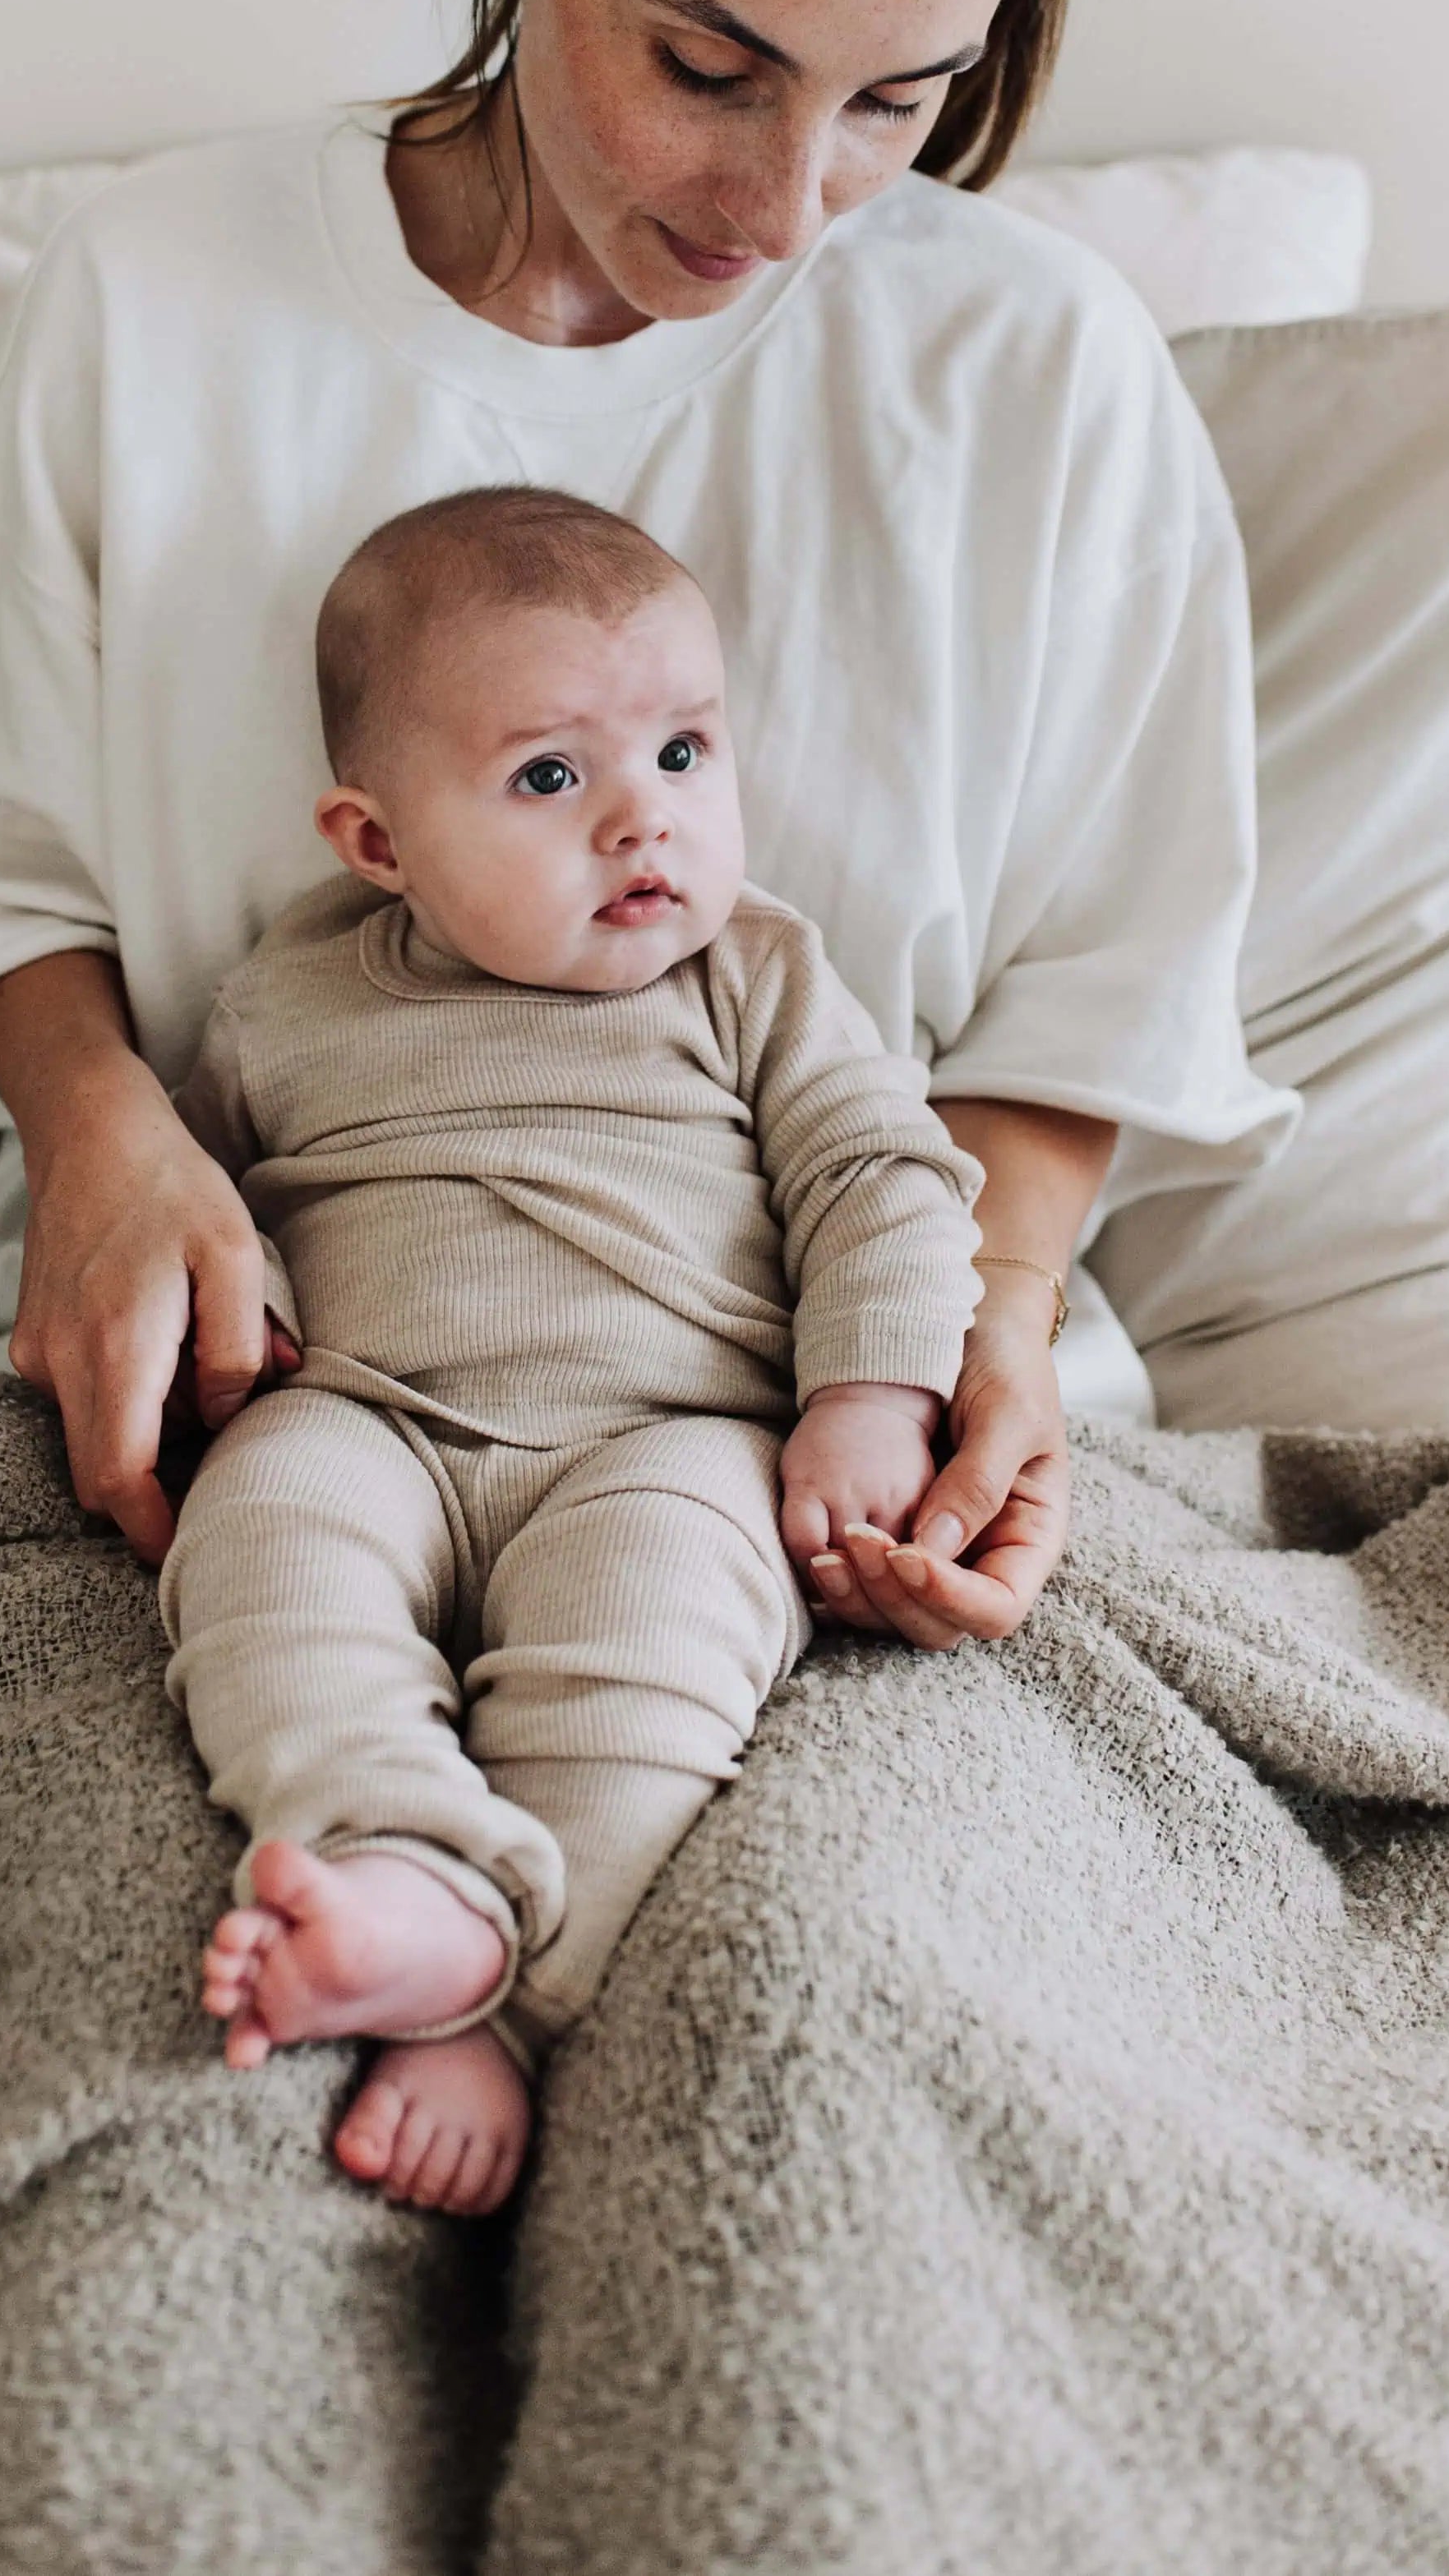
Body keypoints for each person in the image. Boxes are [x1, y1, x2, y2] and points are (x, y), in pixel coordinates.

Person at [0, 0, 1290, 1922]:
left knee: (847, 1995)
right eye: (712, 59)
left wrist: (982, 1338)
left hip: (814, 1475)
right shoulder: (167, 297)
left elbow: (1088, 1006)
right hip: (246, 1440)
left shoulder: (1036, 375)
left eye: (903, 97)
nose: (796, 200)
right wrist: (107, 1141)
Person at [164, 487, 987, 2214]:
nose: (644, 825)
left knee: (652, 1650)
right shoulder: (279, 1001)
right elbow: (188, 1224)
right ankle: (393, 1857)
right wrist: (206, 1362)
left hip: (668, 1438)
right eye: (551, 778)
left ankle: (506, 2000)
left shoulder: (751, 975)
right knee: (261, 1549)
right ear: (375, 844)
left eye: (684, 753)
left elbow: (879, 1176)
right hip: (370, 1418)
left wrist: (867, 1394)